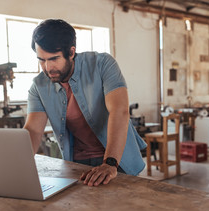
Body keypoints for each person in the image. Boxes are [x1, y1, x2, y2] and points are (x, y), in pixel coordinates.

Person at [24, 19, 146, 187]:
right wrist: (17, 167)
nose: (47, 67)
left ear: (71, 52)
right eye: (41, 60)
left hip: (117, 161)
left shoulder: (102, 64)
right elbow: (32, 130)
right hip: (78, 164)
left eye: (53, 59)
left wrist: (110, 163)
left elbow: (119, 111)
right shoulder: (38, 86)